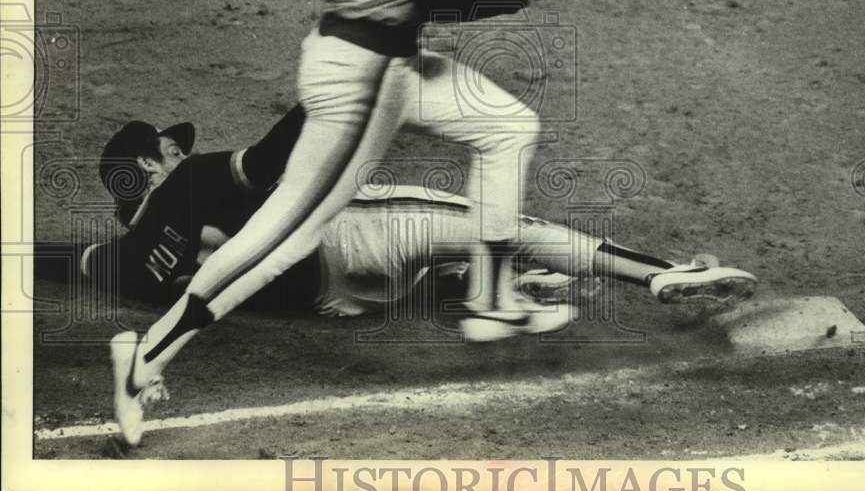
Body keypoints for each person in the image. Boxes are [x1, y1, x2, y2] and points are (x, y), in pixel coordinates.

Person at [107, 0, 573, 447]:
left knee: (507, 126)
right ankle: (144, 360)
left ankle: (492, 300)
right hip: (362, 80)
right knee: (279, 238)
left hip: (372, 58)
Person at [37, 111, 757, 321]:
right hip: (349, 237)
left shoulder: (126, 263)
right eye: (166, 147)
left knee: (426, 263)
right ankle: (660, 277)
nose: (174, 150)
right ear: (158, 161)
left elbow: (60, 259)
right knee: (507, 221)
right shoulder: (192, 179)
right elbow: (266, 160)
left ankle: (500, 288)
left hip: (331, 302)